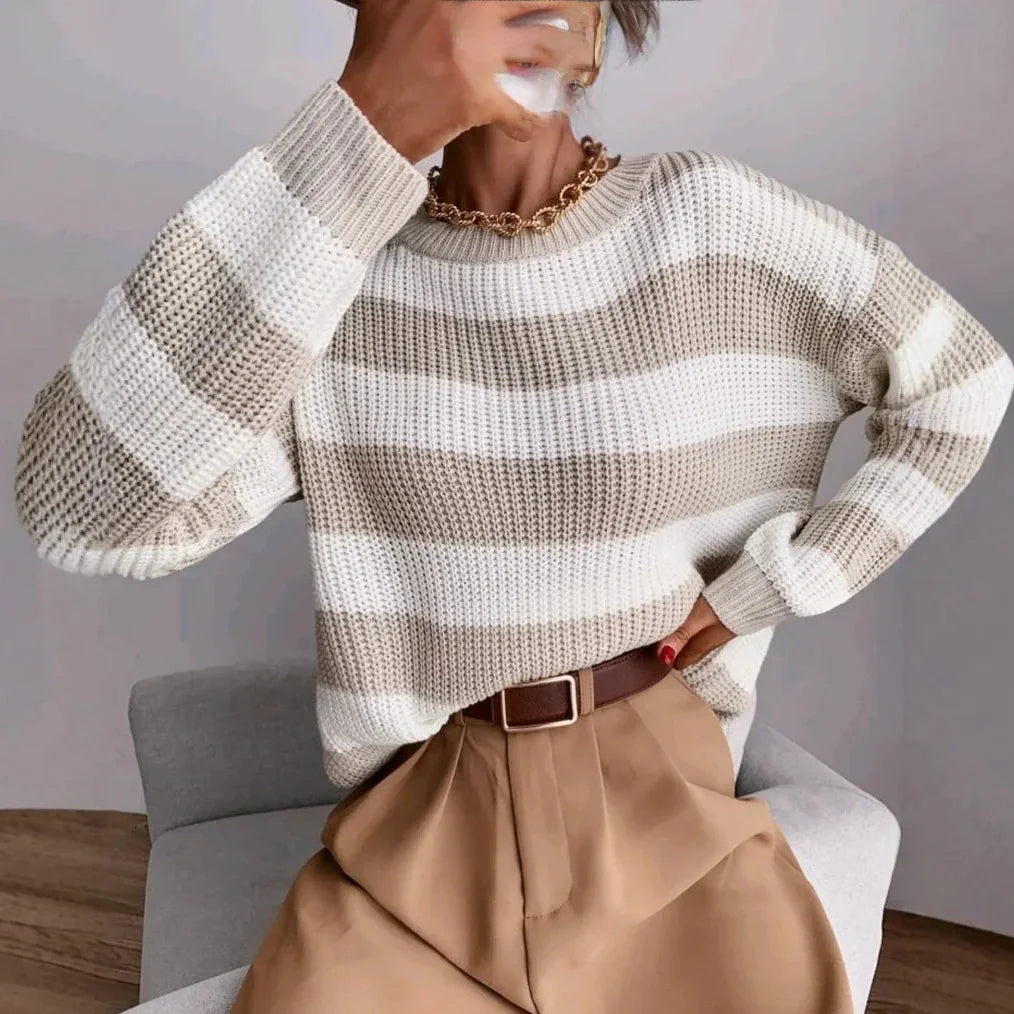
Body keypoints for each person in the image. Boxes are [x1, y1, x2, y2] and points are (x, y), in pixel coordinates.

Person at [13, 1, 1013, 1011]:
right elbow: (83, 511)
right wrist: (359, 129)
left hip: (662, 783)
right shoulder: (330, 279)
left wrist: (781, 583)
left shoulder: (715, 224)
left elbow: (961, 382)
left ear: (600, 32)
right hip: (422, 813)